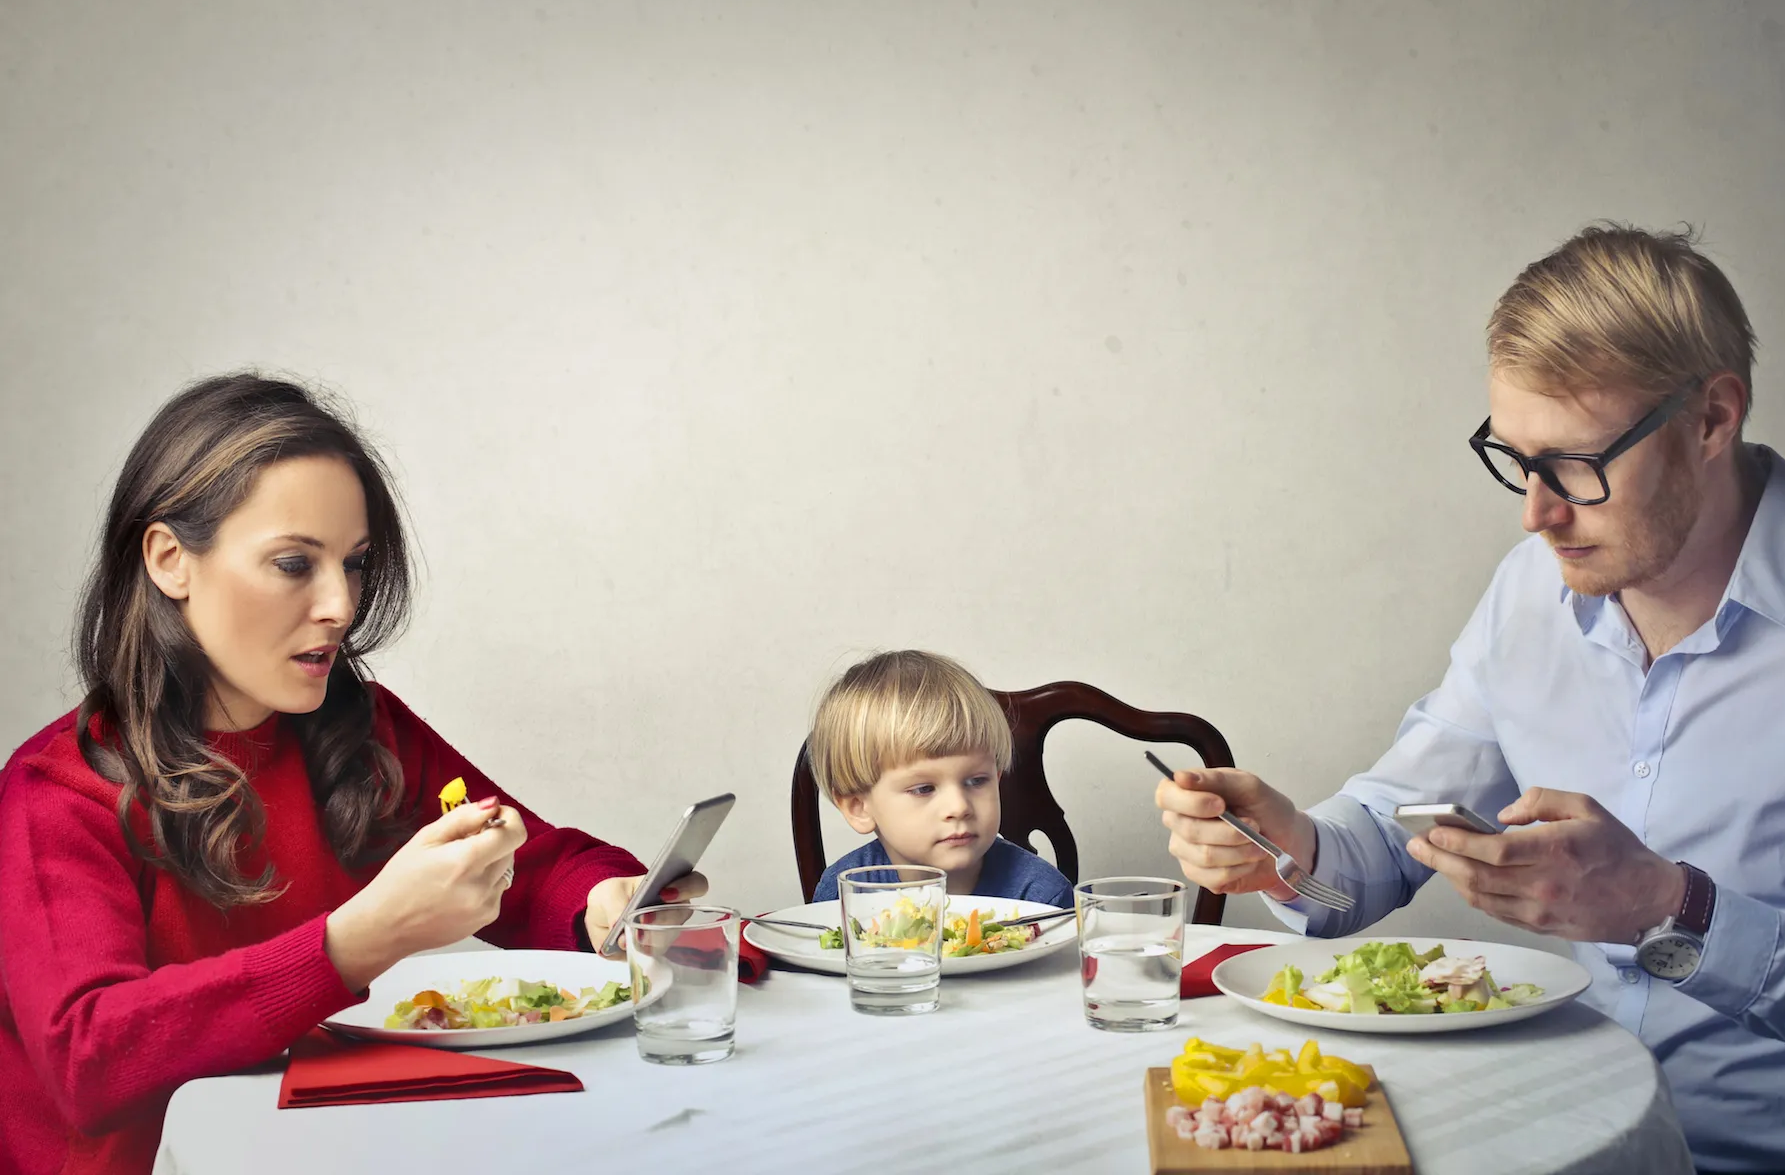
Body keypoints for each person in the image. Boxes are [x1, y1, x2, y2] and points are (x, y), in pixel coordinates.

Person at [1155, 225, 1785, 1174]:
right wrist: (1287, 850)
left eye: (1573, 464)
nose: (1535, 512)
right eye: (1516, 459)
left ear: (1711, 420)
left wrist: (1671, 908)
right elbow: (1388, 831)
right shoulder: (1530, 592)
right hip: (1558, 1138)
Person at [0, 373, 705, 1175]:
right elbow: (89, 1058)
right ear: (170, 560)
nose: (340, 604)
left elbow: (534, 863)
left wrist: (599, 903)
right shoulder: (56, 792)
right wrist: (354, 944)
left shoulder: (357, 727)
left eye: (356, 563)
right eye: (295, 563)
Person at [809, 650, 1075, 908]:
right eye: (924, 788)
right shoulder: (843, 894)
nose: (959, 807)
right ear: (859, 808)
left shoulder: (1040, 897)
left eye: (976, 781)